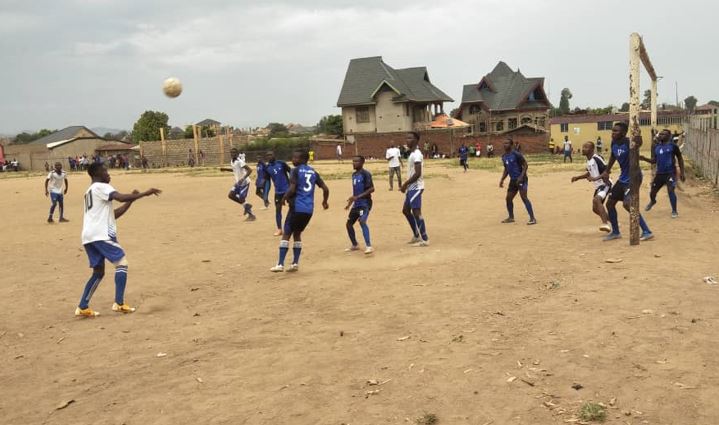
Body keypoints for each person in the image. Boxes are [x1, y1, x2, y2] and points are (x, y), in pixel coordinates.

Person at [75, 163, 161, 317]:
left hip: (89, 236)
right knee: (122, 263)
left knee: (98, 272)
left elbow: (112, 215)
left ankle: (82, 306)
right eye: (105, 171)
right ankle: (119, 303)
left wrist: (131, 201)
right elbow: (120, 197)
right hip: (101, 235)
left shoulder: (90, 191)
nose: (108, 174)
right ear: (97, 174)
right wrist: (144, 193)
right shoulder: (101, 186)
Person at [271, 150, 329, 272]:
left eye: (296, 158)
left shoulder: (295, 171)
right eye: (293, 157)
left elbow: (292, 188)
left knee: (287, 233)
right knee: (297, 234)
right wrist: (324, 202)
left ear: (303, 159)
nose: (293, 160)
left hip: (296, 207)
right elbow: (325, 188)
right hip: (308, 210)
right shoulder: (313, 172)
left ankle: (280, 264)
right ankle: (295, 263)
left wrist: (284, 198)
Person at [599, 122, 653, 241]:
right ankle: (616, 232)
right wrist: (607, 171)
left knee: (627, 204)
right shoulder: (614, 142)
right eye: (612, 130)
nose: (613, 133)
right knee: (610, 203)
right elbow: (613, 156)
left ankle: (647, 231)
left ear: (623, 133)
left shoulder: (630, 142)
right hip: (623, 178)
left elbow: (639, 143)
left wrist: (638, 133)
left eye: (616, 131)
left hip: (634, 177)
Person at [640, 128, 685, 218]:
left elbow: (680, 158)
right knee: (652, 192)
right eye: (660, 134)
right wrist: (644, 158)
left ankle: (674, 211)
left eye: (663, 134)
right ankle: (653, 201)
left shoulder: (673, 146)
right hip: (659, 174)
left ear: (669, 136)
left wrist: (682, 172)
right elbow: (654, 161)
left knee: (670, 190)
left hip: (670, 173)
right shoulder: (656, 147)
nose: (661, 136)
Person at [571, 142, 612, 232]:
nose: (583, 149)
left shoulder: (597, 158)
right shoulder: (588, 161)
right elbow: (589, 173)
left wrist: (594, 178)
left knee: (597, 200)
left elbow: (607, 171)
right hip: (598, 186)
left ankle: (605, 224)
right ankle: (613, 222)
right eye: (583, 147)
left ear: (592, 149)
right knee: (595, 209)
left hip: (605, 184)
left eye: (586, 147)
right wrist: (578, 178)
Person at [400, 131, 429, 246]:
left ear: (416, 140)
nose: (407, 140)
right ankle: (416, 235)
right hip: (411, 187)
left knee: (416, 212)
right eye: (407, 138)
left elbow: (418, 173)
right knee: (406, 211)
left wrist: (405, 184)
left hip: (416, 187)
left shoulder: (417, 154)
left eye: (410, 138)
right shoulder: (412, 154)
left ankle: (425, 239)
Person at [499, 137, 536, 225]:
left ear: (511, 145)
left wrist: (521, 177)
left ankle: (532, 218)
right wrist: (502, 179)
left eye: (507, 143)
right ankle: (511, 217)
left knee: (524, 197)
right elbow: (506, 169)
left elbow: (525, 165)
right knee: (508, 198)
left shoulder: (516, 154)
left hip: (521, 179)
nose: (505, 145)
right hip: (513, 180)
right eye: (504, 143)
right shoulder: (504, 157)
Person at [345, 156, 375, 254]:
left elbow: (372, 189)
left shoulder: (365, 174)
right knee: (349, 224)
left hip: (365, 203)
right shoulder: (354, 175)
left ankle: (369, 246)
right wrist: (350, 203)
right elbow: (356, 192)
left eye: (356, 161)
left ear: (362, 162)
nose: (354, 163)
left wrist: (357, 197)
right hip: (356, 204)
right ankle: (355, 245)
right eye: (353, 161)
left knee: (362, 221)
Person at [220, 148, 255, 221]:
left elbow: (250, 170)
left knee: (242, 198)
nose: (233, 154)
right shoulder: (232, 161)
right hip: (238, 183)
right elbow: (234, 169)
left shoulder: (240, 161)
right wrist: (225, 169)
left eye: (234, 153)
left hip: (244, 182)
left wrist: (243, 178)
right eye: (231, 152)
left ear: (237, 154)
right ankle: (247, 205)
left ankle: (251, 215)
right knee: (231, 195)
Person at [265, 151, 292, 235]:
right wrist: (265, 195)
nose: (269, 156)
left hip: (287, 190)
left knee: (293, 207)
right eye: (267, 155)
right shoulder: (267, 168)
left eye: (271, 155)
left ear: (274, 155)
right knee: (278, 210)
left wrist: (292, 184)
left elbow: (291, 171)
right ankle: (279, 229)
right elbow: (268, 182)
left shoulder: (281, 163)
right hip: (278, 192)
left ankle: (293, 225)